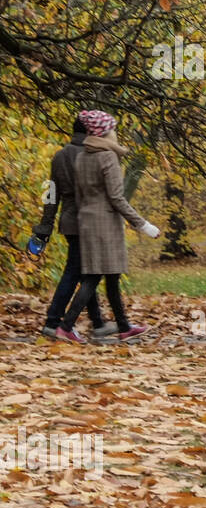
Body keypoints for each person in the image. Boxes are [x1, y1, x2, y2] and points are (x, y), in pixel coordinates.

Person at [55, 110, 161, 343]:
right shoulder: (107, 157)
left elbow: (80, 196)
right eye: (112, 128)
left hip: (87, 221)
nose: (114, 132)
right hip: (105, 223)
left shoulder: (83, 156)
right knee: (94, 277)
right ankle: (65, 326)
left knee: (109, 276)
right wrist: (142, 224)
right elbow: (116, 197)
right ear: (104, 132)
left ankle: (123, 326)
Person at [28, 115, 116, 340]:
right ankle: (53, 321)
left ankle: (97, 323)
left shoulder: (60, 156)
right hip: (89, 222)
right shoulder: (93, 155)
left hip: (68, 221)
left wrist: (45, 226)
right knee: (75, 272)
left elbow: (51, 194)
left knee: (87, 272)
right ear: (91, 132)